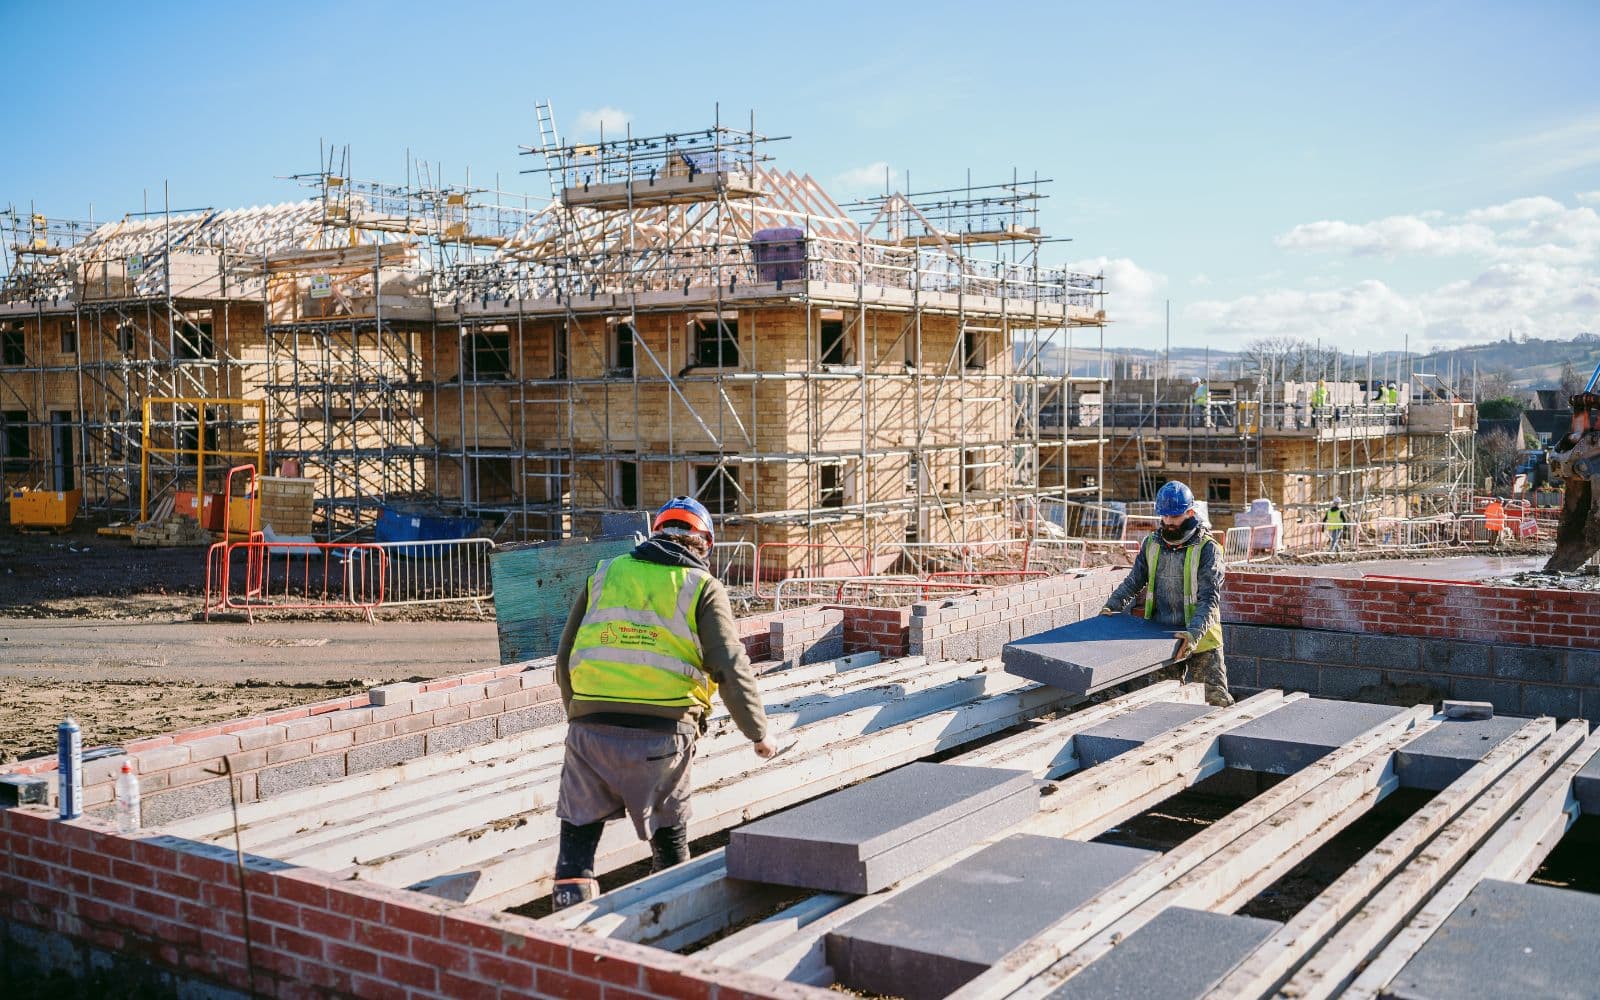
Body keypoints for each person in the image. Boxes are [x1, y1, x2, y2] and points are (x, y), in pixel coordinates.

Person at [551, 496, 776, 911]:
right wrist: (758, 733)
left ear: (656, 534)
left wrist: (578, 714)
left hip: (589, 733)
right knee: (669, 839)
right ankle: (674, 926)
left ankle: (565, 916)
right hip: (663, 737)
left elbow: (564, 657)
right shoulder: (703, 587)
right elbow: (728, 664)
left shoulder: (606, 572)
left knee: (577, 839)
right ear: (704, 544)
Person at [1101, 480, 1233, 707]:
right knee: (1165, 705)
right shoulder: (1152, 543)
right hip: (1164, 635)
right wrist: (1112, 606)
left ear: (1190, 512)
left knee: (1214, 702)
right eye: (1165, 517)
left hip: (1202, 639)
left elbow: (1209, 599)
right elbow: (1134, 581)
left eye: (1175, 516)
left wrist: (1192, 635)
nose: (1169, 522)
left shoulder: (1207, 548)